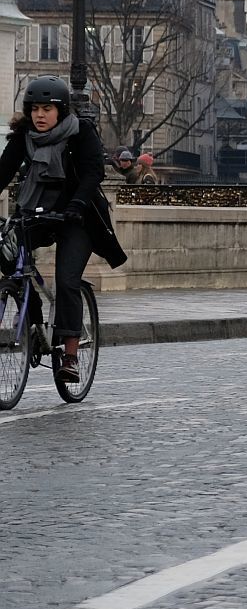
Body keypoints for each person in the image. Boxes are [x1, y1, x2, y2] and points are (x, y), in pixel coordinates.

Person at [0, 77, 128, 382]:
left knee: (66, 279)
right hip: (37, 211)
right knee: (10, 260)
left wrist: (78, 204)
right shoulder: (23, 137)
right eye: (35, 109)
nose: (40, 115)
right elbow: (3, 172)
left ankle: (70, 355)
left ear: (61, 111)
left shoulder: (80, 132)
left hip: (77, 216)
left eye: (47, 109)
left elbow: (93, 171)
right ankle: (31, 319)